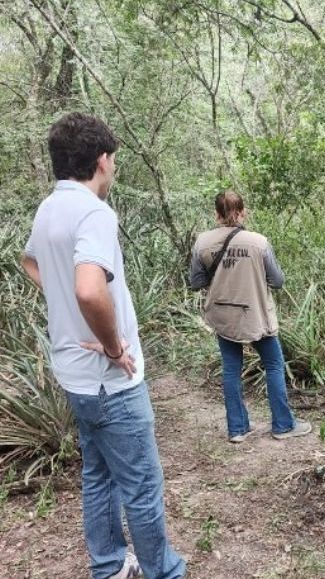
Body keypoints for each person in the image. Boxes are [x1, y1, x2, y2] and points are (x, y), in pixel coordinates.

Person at [22, 112, 185, 579]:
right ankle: (162, 571)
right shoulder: (94, 212)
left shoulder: (49, 207)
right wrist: (114, 348)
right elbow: (90, 290)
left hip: (74, 376)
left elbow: (30, 261)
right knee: (142, 485)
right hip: (109, 382)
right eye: (112, 160)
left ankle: (110, 565)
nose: (113, 169)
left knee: (98, 476)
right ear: (101, 160)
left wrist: (64, 308)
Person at [190, 191, 312, 443]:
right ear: (243, 212)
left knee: (231, 368)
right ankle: (283, 424)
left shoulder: (202, 242)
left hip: (223, 315)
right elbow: (278, 281)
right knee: (274, 365)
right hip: (255, 314)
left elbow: (197, 282)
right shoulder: (258, 242)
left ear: (216, 214)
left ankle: (237, 429)